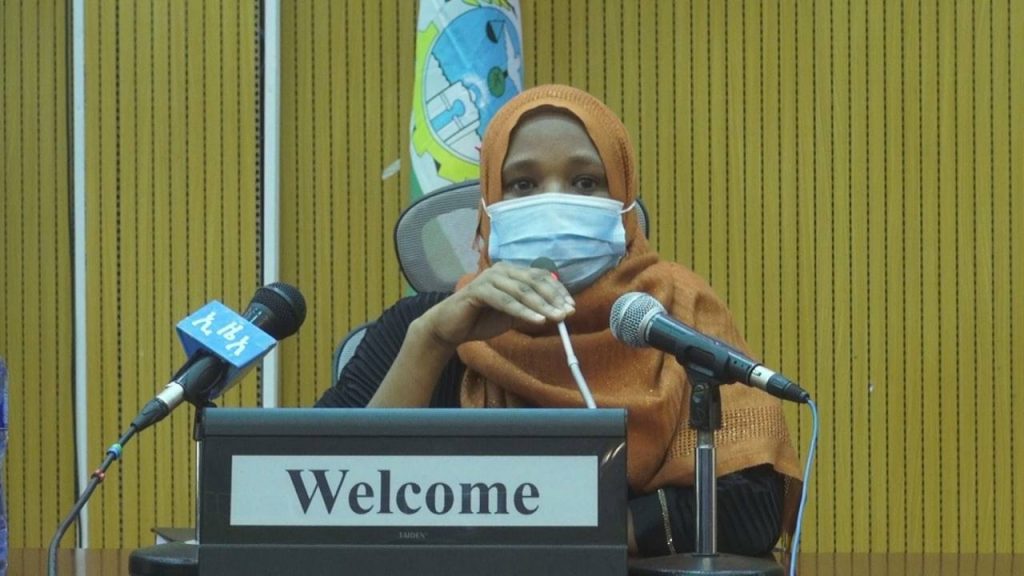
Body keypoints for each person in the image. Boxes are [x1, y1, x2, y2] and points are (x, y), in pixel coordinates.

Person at [317, 84, 802, 557]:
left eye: (585, 182)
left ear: (624, 201)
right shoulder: (427, 325)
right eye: (523, 184)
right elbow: (316, 496)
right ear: (488, 205)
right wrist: (431, 342)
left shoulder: (672, 316)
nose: (553, 203)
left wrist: (542, 532)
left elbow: (751, 508)